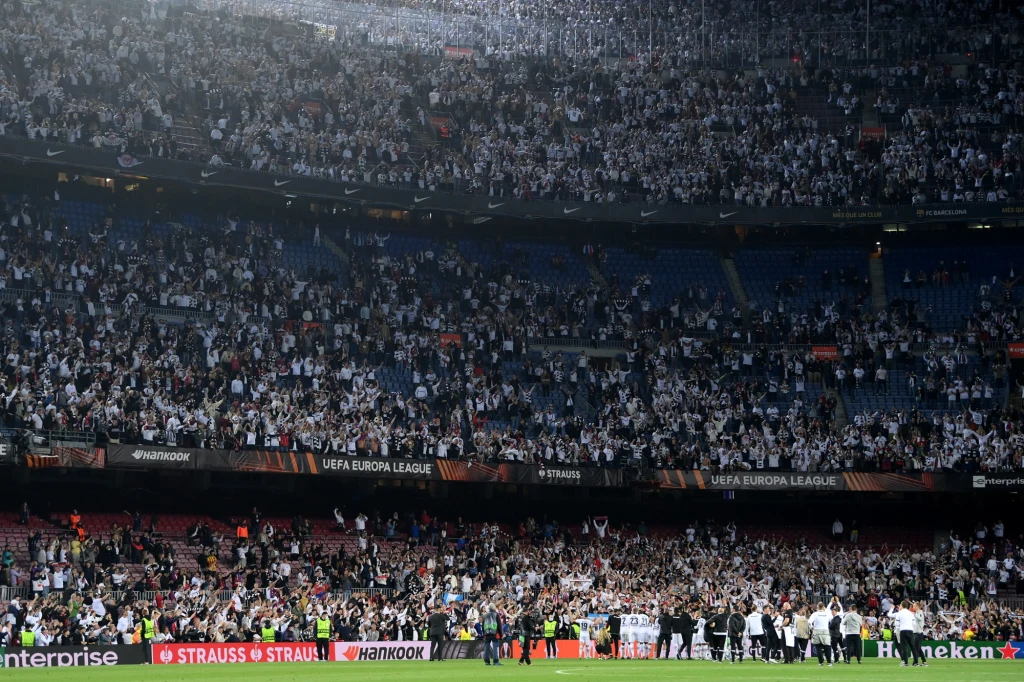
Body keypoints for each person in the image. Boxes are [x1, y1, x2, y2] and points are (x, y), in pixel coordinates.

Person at [888, 601, 918, 667]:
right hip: (910, 630)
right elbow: (914, 623)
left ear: (902, 605)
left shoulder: (899, 613)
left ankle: (905, 662)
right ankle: (916, 662)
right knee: (913, 647)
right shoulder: (911, 613)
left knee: (904, 647)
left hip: (903, 631)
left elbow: (897, 624)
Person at [808, 602, 834, 667]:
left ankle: (821, 662)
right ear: (823, 607)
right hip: (825, 631)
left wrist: (811, 628)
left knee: (818, 647)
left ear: (817, 607)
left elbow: (809, 622)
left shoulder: (815, 614)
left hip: (817, 631)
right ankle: (829, 662)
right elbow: (832, 620)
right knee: (827, 647)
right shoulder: (827, 614)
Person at [911, 602, 928, 667]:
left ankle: (915, 662)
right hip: (916, 633)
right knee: (918, 648)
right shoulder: (917, 613)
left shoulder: (920, 613)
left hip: (919, 633)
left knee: (916, 648)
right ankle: (924, 661)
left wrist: (914, 614)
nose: (913, 607)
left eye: (913, 606)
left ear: (917, 606)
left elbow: (920, 618)